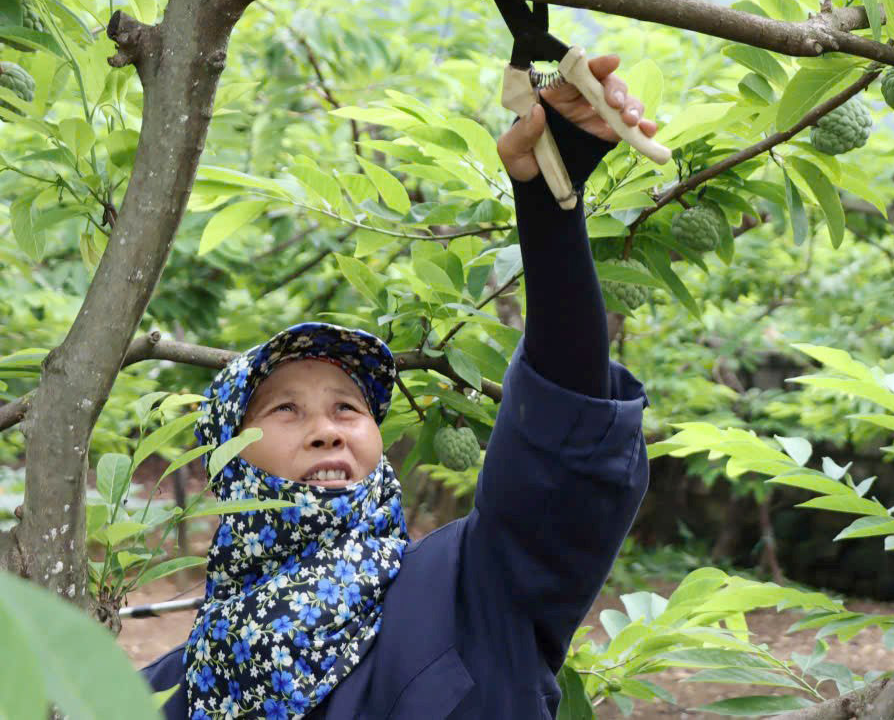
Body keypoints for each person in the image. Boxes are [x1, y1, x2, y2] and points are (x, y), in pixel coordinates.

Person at [140, 54, 660, 719]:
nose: (327, 427)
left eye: (348, 407)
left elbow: (567, 427)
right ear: (226, 460)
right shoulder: (173, 685)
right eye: (285, 408)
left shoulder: (467, 581)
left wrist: (551, 208)